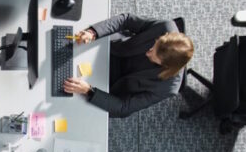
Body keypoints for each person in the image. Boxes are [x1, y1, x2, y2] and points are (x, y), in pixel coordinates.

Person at [63, 13, 193, 118]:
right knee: (64, 46)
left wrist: (88, 91)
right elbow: (127, 20)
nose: (148, 51)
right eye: (155, 44)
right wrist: (93, 33)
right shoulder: (165, 27)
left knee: (66, 101)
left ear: (165, 65)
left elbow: (124, 108)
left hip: (109, 85)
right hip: (110, 49)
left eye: (153, 54)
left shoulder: (168, 88)